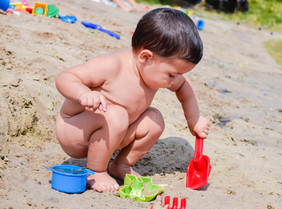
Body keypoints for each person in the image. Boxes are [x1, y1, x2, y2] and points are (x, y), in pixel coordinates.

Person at [55, 8, 210, 193]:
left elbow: (185, 88)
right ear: (146, 57)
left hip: (113, 132)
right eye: (171, 74)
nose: (174, 81)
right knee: (117, 114)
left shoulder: (154, 70)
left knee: (155, 119)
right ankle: (95, 171)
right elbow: (65, 77)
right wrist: (83, 94)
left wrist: (194, 120)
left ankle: (121, 165)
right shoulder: (112, 66)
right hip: (75, 131)